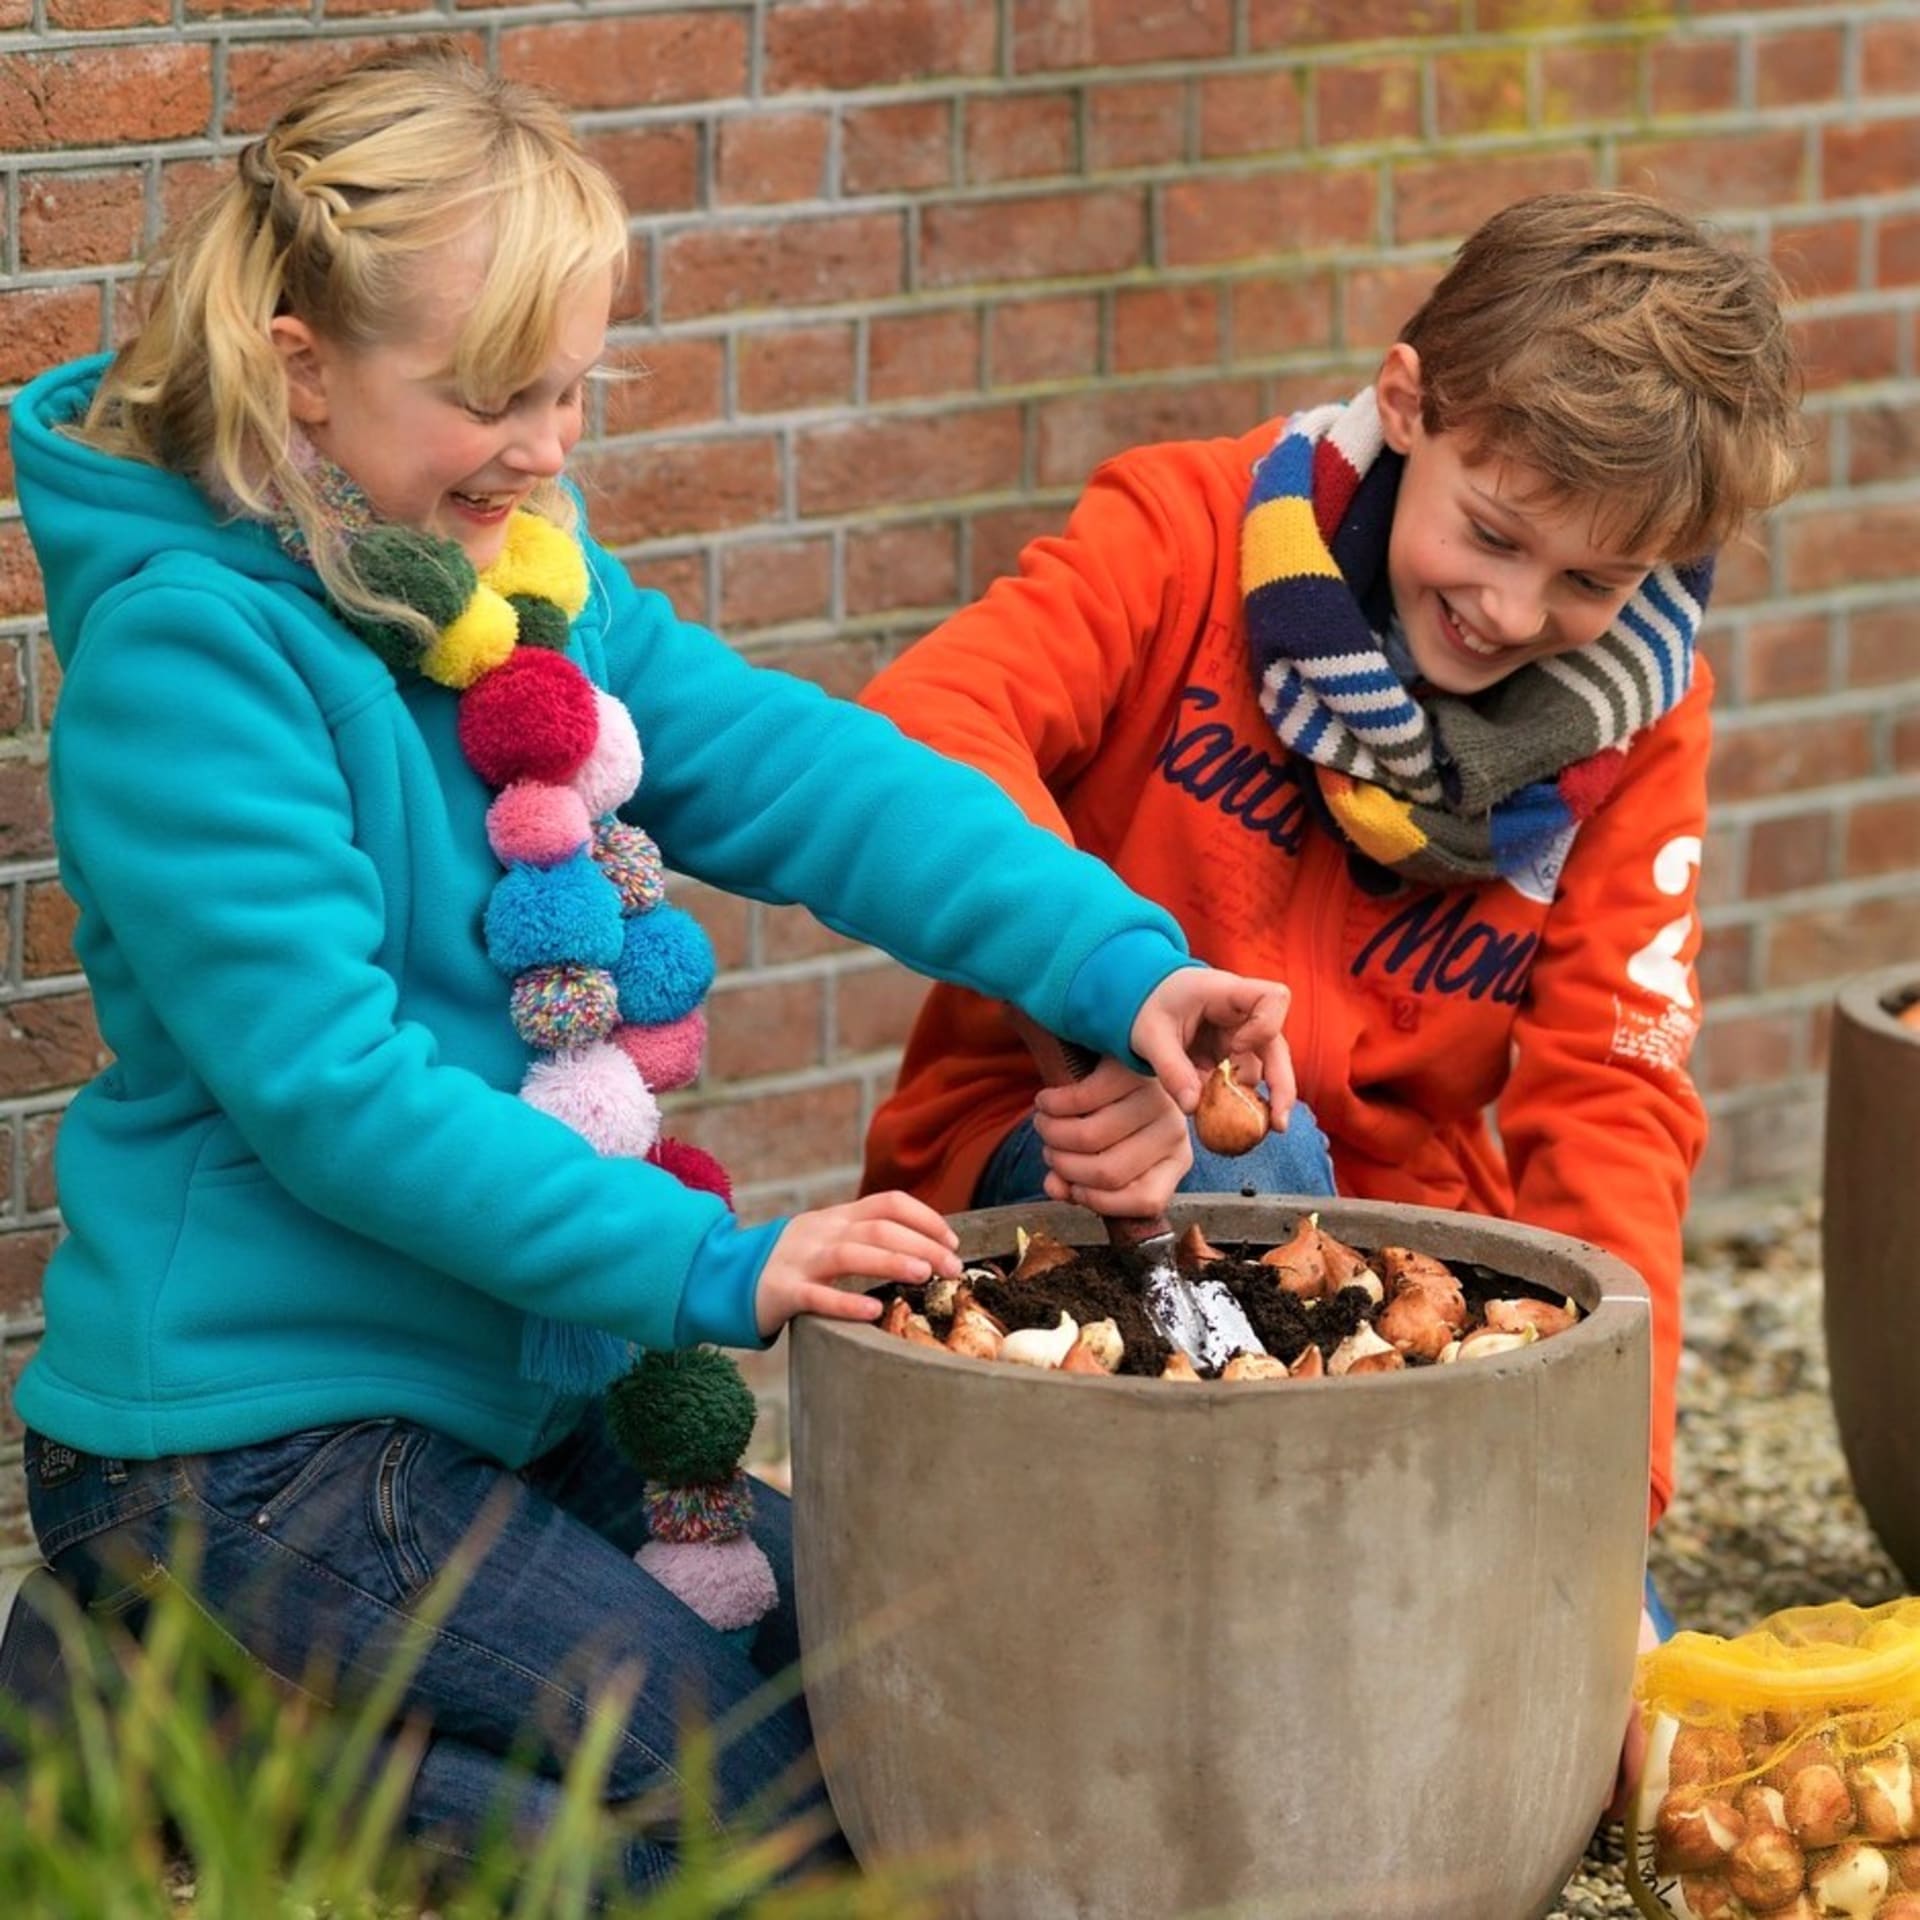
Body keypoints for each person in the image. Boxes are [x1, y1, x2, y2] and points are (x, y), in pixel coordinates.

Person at [7, 42, 1301, 1902]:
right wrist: (716, 1265)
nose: (546, 449)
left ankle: (212, 1699)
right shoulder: (190, 664)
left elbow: (797, 770)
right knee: (743, 1817)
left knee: (890, 1691)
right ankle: (216, 1745)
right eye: (492, 397)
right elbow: (332, 1094)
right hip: (253, 1455)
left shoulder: (511, 586)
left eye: (571, 391)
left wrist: (1115, 964)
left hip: (507, 1414)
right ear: (302, 365)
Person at [857, 191, 1804, 1796]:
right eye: (1493, 534)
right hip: (1066, 1185)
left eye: (1592, 583)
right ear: (1412, 401)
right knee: (1246, 1162)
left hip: (1400, 1265)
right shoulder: (1182, 533)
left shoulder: (1644, 717)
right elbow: (919, 727)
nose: (1516, 614)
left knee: (1605, 1742)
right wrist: (1114, 988)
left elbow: (1615, 1092)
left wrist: (1600, 1484)